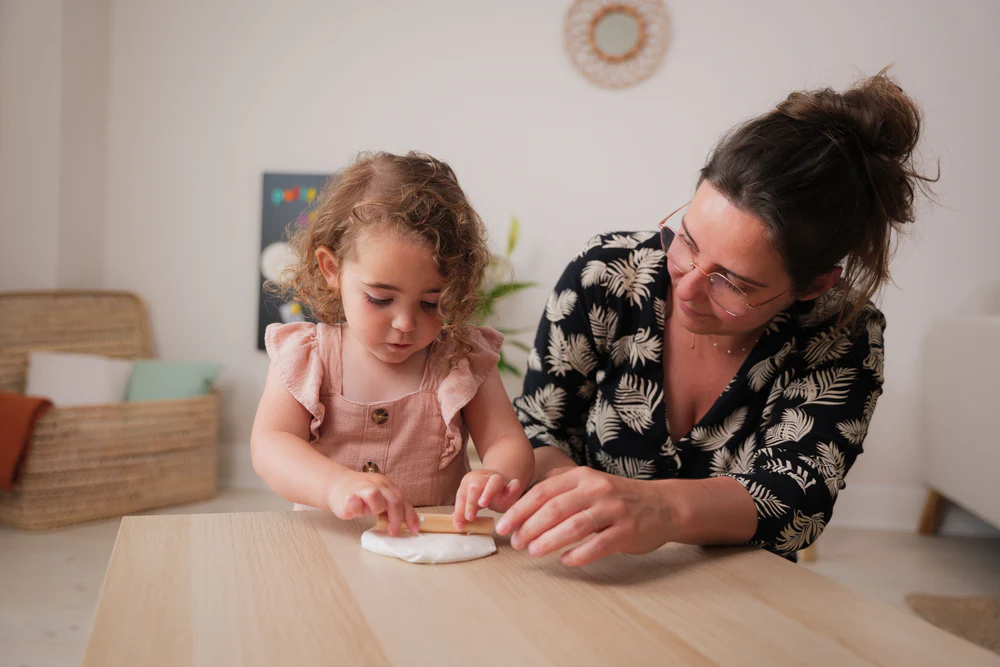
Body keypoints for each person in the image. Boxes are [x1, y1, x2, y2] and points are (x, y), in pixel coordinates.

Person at [497, 69, 935, 566]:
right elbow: (539, 425)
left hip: (739, 584)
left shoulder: (842, 333)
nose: (685, 286)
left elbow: (799, 498)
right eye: (686, 241)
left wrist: (659, 509)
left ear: (814, 285)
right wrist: (576, 502)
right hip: (591, 564)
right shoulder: (607, 274)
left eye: (733, 283)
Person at [251, 151, 534, 536]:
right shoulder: (308, 355)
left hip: (435, 548)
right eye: (381, 299)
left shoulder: (461, 360)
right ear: (332, 269)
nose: (405, 323)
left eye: (431, 303)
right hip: (332, 548)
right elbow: (271, 445)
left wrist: (498, 474)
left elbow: (505, 438)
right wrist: (335, 485)